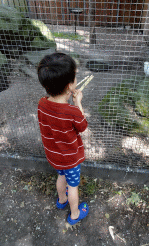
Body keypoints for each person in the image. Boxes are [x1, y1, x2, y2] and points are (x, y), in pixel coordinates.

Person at [37, 52, 89, 225]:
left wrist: (68, 98)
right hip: (70, 158)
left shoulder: (42, 103)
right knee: (72, 186)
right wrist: (78, 103)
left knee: (61, 177)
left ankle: (61, 201)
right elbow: (82, 126)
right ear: (69, 86)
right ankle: (75, 214)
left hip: (54, 156)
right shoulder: (71, 111)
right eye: (75, 77)